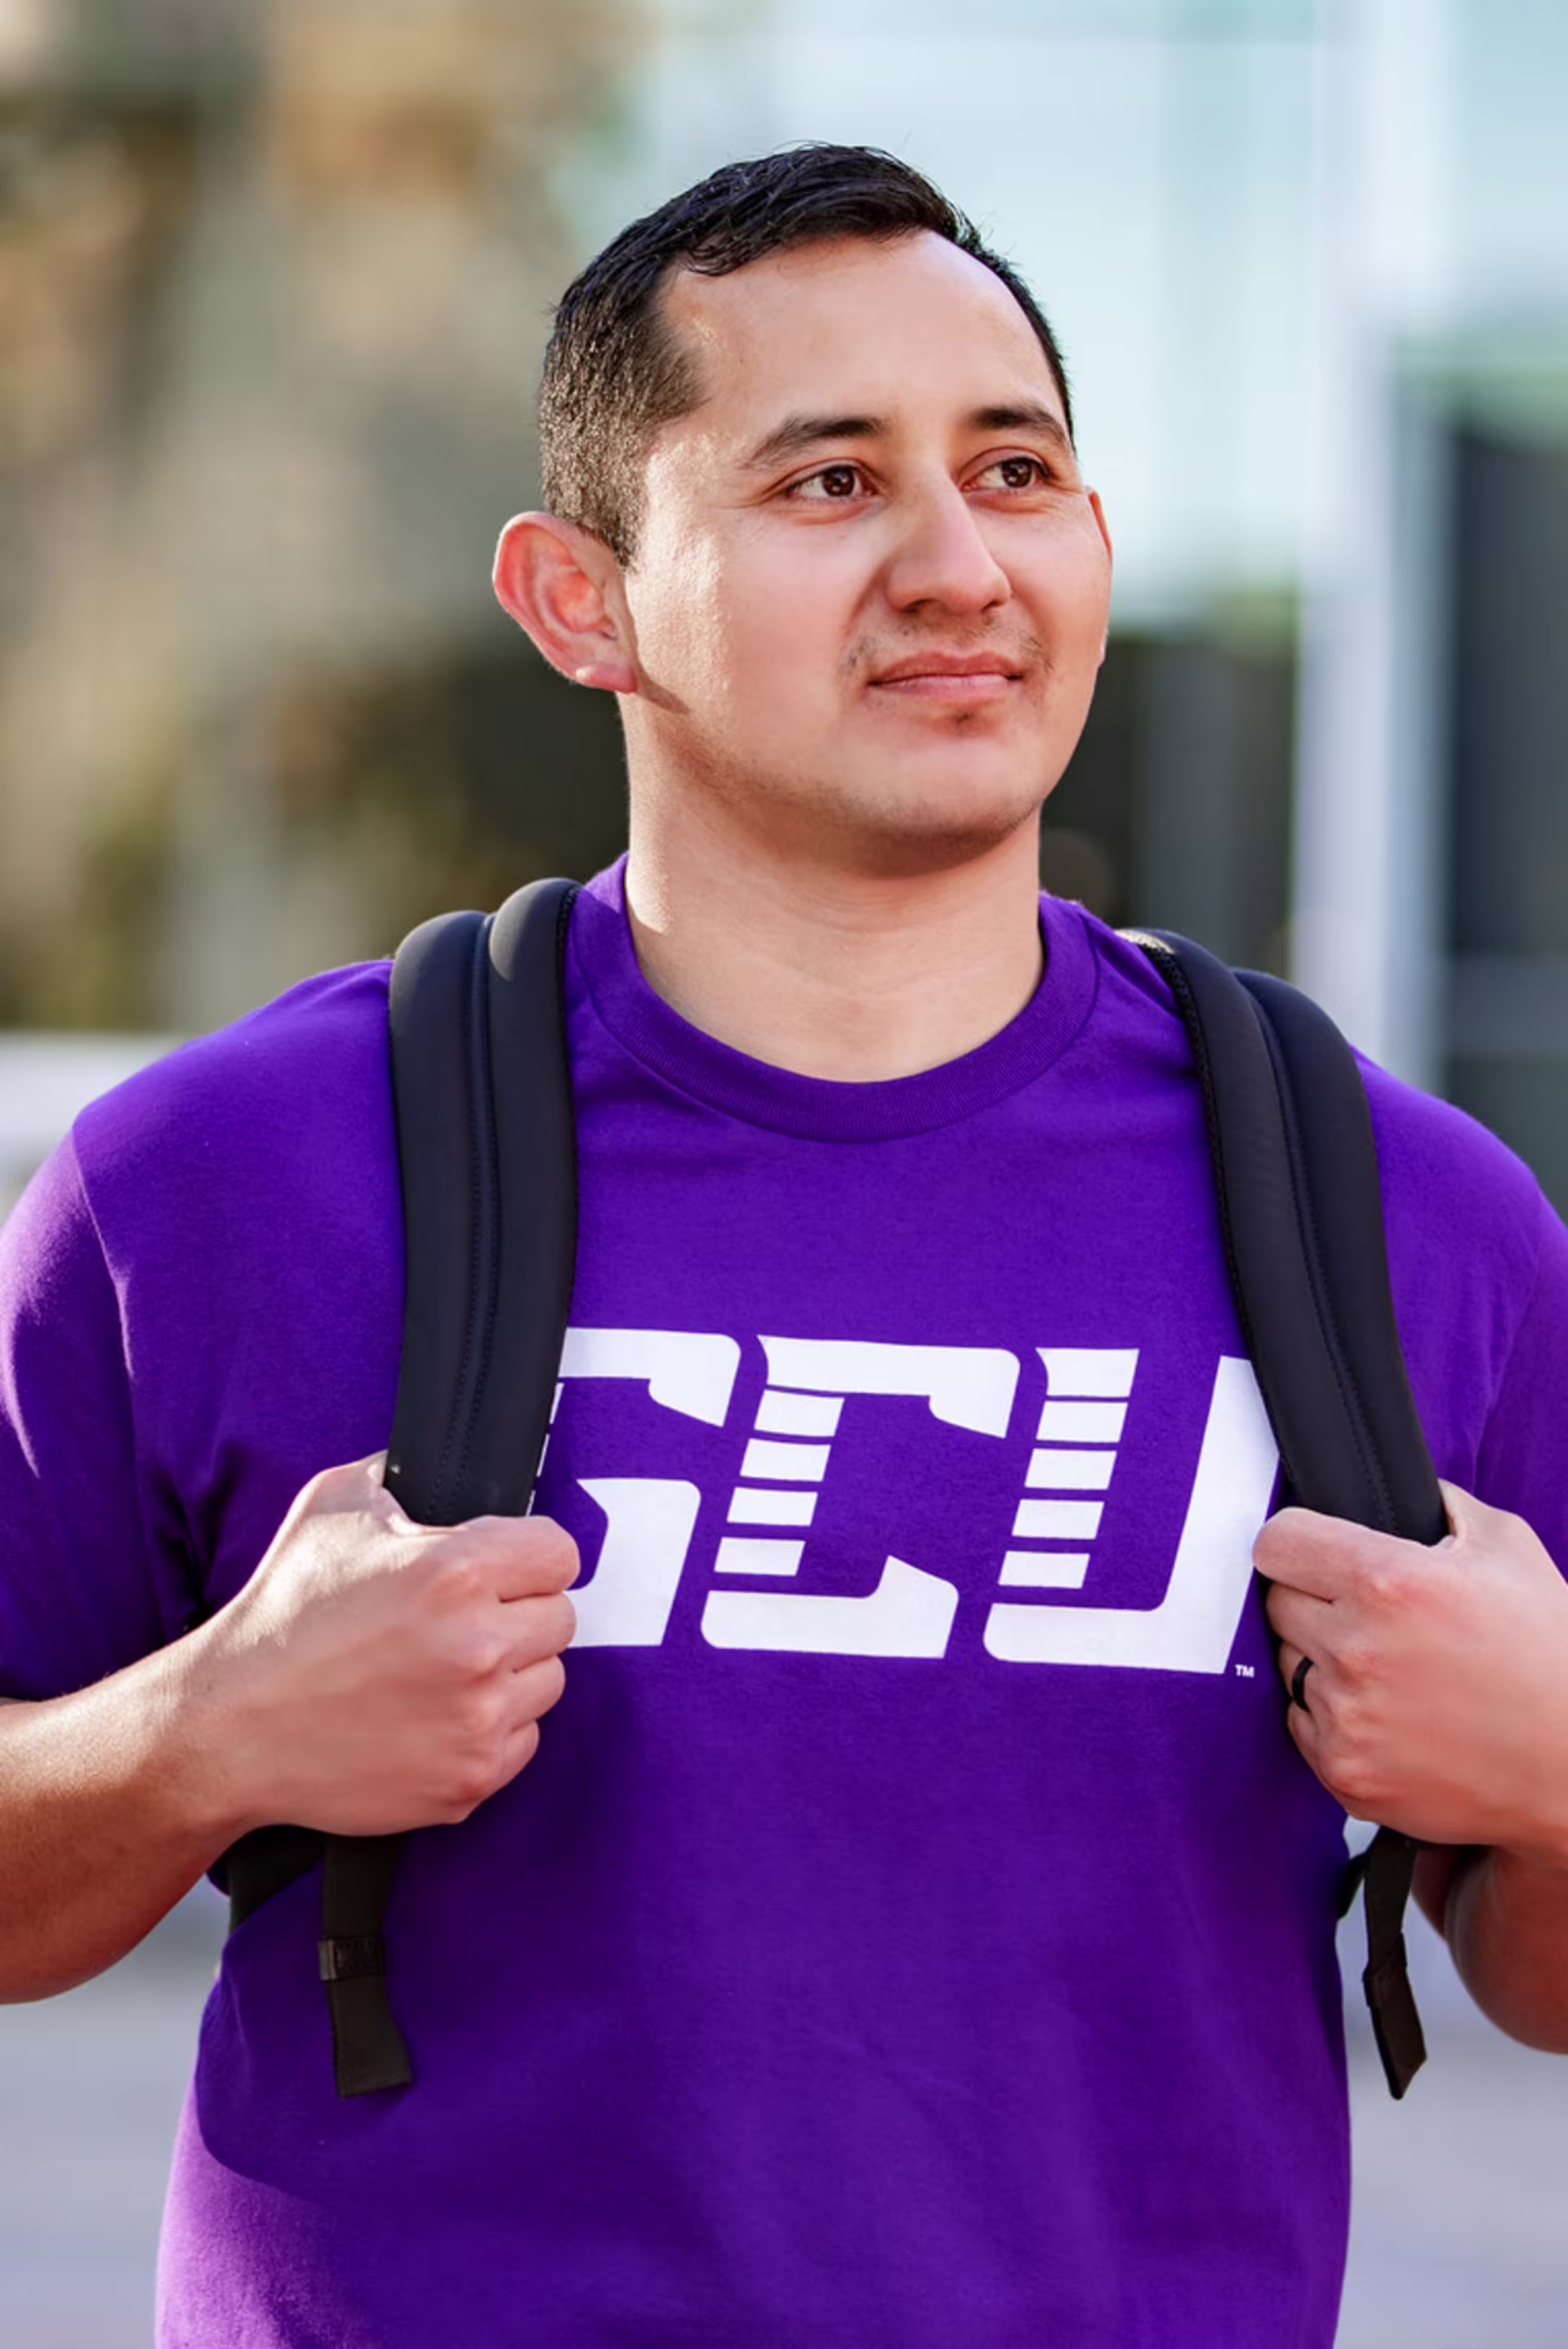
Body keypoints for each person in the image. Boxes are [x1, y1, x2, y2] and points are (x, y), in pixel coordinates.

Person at [2, 142, 1567, 2348]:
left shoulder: (1405, 1221)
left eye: (1014, 468)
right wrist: (202, 1735)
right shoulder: (221, 1185)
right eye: (829, 483)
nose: (957, 562)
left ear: (1097, 547)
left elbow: (1539, 1963)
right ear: (581, 600)